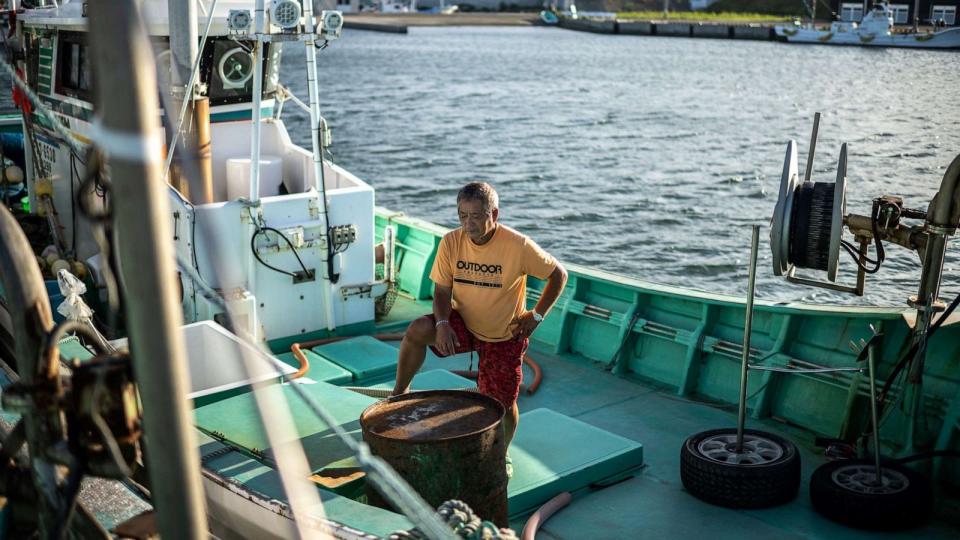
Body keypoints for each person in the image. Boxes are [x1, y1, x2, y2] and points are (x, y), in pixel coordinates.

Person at [391, 182, 567, 477]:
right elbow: (442, 292)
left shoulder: (517, 245)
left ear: (494, 214)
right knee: (418, 329)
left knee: (502, 402)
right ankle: (398, 395)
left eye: (475, 216)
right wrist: (444, 324)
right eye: (462, 215)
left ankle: (502, 451)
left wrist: (536, 316)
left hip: (504, 335)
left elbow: (559, 275)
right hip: (464, 324)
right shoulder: (451, 242)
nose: (468, 224)